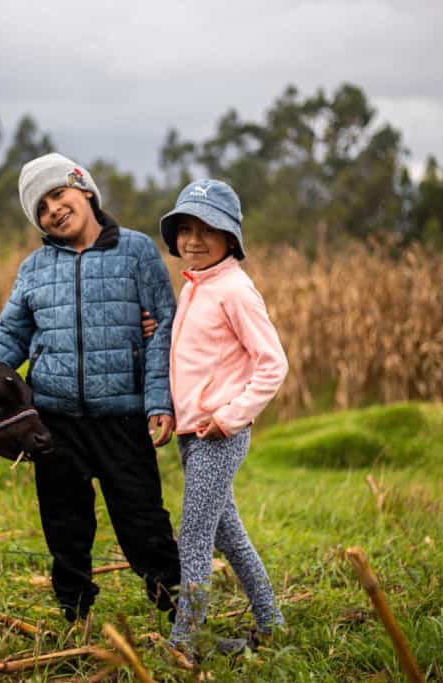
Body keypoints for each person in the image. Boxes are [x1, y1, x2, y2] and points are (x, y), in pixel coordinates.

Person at [0, 152, 181, 622]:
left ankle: (181, 616)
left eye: (58, 194)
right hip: (55, 422)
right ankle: (76, 618)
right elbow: (11, 337)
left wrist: (158, 401)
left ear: (84, 190)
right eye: (41, 208)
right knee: (65, 527)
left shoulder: (136, 252)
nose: (53, 209)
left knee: (144, 523)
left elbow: (164, 330)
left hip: (123, 418)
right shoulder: (34, 268)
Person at [158, 179, 288, 658]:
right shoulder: (196, 287)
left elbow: (273, 362)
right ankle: (272, 623)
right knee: (229, 536)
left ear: (230, 237)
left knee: (193, 539)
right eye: (185, 229)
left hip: (218, 435)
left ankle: (185, 641)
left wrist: (231, 417)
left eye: (206, 229)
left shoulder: (235, 290)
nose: (193, 239)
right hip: (194, 436)